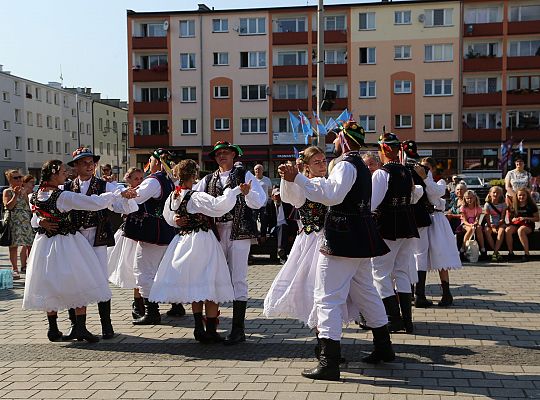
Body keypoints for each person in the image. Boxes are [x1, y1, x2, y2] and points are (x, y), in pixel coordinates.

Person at [280, 121, 394, 381]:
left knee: (326, 297)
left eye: (335, 139)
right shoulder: (362, 167)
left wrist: (297, 177)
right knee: (366, 292)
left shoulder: (344, 164)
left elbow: (332, 194)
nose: (332, 143)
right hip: (361, 236)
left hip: (342, 237)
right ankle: (384, 347)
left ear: (343, 140)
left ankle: (329, 362)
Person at [23, 160, 136, 342]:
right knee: (78, 281)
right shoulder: (63, 196)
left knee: (49, 282)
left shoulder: (35, 195)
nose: (66, 174)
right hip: (65, 243)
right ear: (53, 174)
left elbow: (35, 217)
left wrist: (41, 222)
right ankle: (80, 328)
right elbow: (93, 202)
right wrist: (118, 193)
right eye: (62, 171)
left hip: (43, 244)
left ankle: (53, 329)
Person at [150, 160, 251, 343]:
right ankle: (210, 330)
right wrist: (235, 191)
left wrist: (176, 221)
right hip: (202, 241)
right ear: (193, 176)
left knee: (196, 285)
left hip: (183, 241)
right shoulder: (195, 197)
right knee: (209, 283)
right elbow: (217, 205)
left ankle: (198, 328)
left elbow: (168, 217)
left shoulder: (175, 195)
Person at [193, 141, 266, 345]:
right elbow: (194, 199)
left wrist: (247, 192)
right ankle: (211, 327)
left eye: (226, 153)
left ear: (234, 155)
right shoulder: (207, 179)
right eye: (218, 154)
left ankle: (238, 329)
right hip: (215, 233)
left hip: (240, 231)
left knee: (238, 278)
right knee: (212, 276)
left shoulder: (246, 175)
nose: (222, 156)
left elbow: (260, 201)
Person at [61, 148, 122, 340]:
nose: (89, 166)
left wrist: (126, 196)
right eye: (84, 162)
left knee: (100, 278)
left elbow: (119, 198)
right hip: (75, 238)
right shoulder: (67, 186)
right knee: (74, 279)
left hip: (97, 236)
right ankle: (76, 325)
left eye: (91, 162)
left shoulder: (105, 185)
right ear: (76, 166)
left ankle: (107, 325)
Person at [264, 146, 328, 325]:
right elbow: (288, 197)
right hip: (312, 240)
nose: (322, 165)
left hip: (331, 238)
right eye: (317, 162)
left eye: (324, 161)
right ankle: (320, 329)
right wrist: (289, 178)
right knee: (313, 282)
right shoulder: (304, 186)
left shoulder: (330, 182)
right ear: (307, 166)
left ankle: (325, 329)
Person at [371, 133, 423, 334]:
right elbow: (414, 196)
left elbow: (373, 203)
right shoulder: (406, 171)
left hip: (388, 227)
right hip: (406, 225)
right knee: (401, 271)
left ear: (384, 150)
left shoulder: (382, 173)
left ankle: (394, 318)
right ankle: (407, 321)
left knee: (380, 273)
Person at [124, 149, 180, 325]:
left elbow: (136, 199)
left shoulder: (154, 181)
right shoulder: (172, 180)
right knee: (167, 271)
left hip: (153, 233)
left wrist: (119, 197)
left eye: (150, 160)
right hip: (169, 231)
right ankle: (177, 306)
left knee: (144, 271)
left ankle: (151, 312)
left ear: (156, 162)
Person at [417, 157, 462, 307]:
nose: (424, 169)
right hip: (421, 220)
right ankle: (418, 293)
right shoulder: (418, 181)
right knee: (417, 258)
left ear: (433, 169)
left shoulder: (439, 182)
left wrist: (425, 178)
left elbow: (434, 194)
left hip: (436, 220)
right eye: (422, 167)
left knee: (440, 256)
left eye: (427, 167)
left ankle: (446, 293)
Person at [107, 167, 145, 318]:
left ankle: (147, 303)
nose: (139, 181)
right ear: (128, 179)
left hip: (144, 234)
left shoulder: (145, 192)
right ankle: (138, 303)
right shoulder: (124, 194)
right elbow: (116, 207)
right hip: (130, 235)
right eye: (136, 178)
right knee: (133, 269)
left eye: (141, 178)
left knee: (144, 269)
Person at [400, 141, 433, 310]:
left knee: (406, 257)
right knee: (419, 256)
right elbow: (433, 195)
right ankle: (419, 295)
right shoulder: (423, 170)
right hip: (419, 217)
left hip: (403, 217)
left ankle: (410, 293)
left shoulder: (396, 169)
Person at [2, 170, 34, 279]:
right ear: (10, 180)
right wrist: (15, 195)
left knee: (30, 244)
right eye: (16, 178)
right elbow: (9, 206)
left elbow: (30, 208)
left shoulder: (26, 191)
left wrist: (25, 195)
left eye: (20, 177)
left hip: (25, 220)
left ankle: (30, 267)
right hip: (14, 221)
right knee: (14, 246)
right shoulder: (7, 191)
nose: (19, 179)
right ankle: (14, 269)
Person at [260, 188, 297, 264]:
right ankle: (281, 251)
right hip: (274, 228)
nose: (278, 197)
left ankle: (281, 251)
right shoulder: (269, 204)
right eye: (276, 196)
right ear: (272, 196)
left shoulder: (287, 204)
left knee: (283, 227)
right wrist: (263, 234)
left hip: (286, 227)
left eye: (279, 195)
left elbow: (293, 220)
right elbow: (265, 220)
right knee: (281, 227)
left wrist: (292, 234)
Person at [505, 188, 539, 262]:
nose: (521, 197)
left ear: (527, 196)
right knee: (507, 230)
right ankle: (511, 253)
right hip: (516, 224)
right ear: (516, 196)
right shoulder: (514, 205)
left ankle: (526, 254)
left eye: (524, 195)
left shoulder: (531, 205)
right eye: (520, 195)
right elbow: (511, 218)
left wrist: (525, 218)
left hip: (528, 224)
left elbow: (537, 218)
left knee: (521, 230)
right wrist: (514, 219)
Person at [460, 190, 486, 261]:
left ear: (474, 198)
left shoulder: (478, 208)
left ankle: (482, 248)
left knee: (478, 228)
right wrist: (470, 225)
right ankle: (462, 248)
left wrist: (475, 223)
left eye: (471, 198)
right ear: (465, 199)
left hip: (474, 224)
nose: (469, 200)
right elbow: (464, 220)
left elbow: (477, 218)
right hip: (465, 224)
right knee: (470, 229)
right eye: (467, 198)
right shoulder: (463, 208)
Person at [483, 186, 507, 262]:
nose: (496, 194)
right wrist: (492, 227)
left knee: (501, 231)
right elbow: (487, 218)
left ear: (501, 194)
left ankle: (495, 253)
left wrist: (499, 223)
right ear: (490, 194)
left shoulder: (503, 204)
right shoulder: (487, 204)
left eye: (498, 193)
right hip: (490, 223)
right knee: (487, 231)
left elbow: (503, 217)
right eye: (494, 192)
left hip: (500, 223)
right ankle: (496, 252)